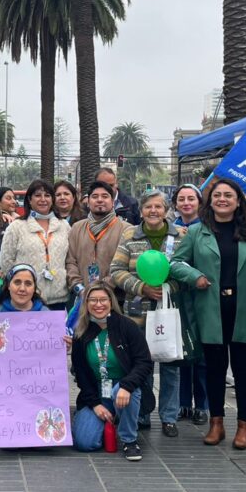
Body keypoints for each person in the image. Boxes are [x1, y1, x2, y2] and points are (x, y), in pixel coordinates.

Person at [169, 177, 246, 450]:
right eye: (217, 195)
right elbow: (176, 264)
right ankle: (216, 423)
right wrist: (195, 276)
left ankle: (244, 426)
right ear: (210, 201)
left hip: (245, 309)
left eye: (228, 195)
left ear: (238, 201)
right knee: (213, 369)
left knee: (243, 371)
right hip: (210, 310)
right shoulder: (197, 232)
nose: (223, 199)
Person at [110, 189, 193, 438]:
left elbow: (189, 270)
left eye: (158, 206)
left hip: (169, 311)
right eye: (148, 207)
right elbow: (116, 270)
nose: (153, 211)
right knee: (140, 365)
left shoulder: (181, 236)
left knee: (170, 367)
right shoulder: (129, 236)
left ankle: (169, 417)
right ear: (141, 210)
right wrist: (142, 287)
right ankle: (143, 412)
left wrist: (168, 288)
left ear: (166, 209)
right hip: (136, 314)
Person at [70, 282, 153, 461]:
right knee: (85, 443)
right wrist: (95, 404)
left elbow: (144, 362)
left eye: (103, 300)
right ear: (86, 304)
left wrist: (127, 385)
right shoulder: (81, 332)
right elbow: (81, 374)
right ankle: (110, 419)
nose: (98, 305)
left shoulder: (127, 326)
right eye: (93, 300)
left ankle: (129, 440)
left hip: (123, 388)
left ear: (111, 301)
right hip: (97, 392)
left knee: (122, 392)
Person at [0, 180, 71, 309]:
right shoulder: (16, 227)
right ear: (29, 200)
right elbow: (6, 262)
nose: (43, 199)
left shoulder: (64, 226)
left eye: (47, 195)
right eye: (38, 195)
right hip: (27, 300)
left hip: (58, 298)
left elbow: (70, 259)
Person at [171, 183, 208, 425]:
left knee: (203, 354)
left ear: (199, 203)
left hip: (203, 295)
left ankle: (203, 405)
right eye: (181, 199)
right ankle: (183, 403)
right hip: (177, 297)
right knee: (182, 352)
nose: (186, 203)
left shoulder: (207, 229)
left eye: (191, 199)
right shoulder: (170, 230)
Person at [66, 180, 131, 306]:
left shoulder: (126, 229)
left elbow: (125, 265)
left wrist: (102, 289)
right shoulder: (76, 228)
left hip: (115, 299)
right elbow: (70, 262)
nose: (100, 200)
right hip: (82, 298)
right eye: (95, 197)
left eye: (105, 196)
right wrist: (79, 288)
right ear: (88, 202)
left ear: (113, 202)